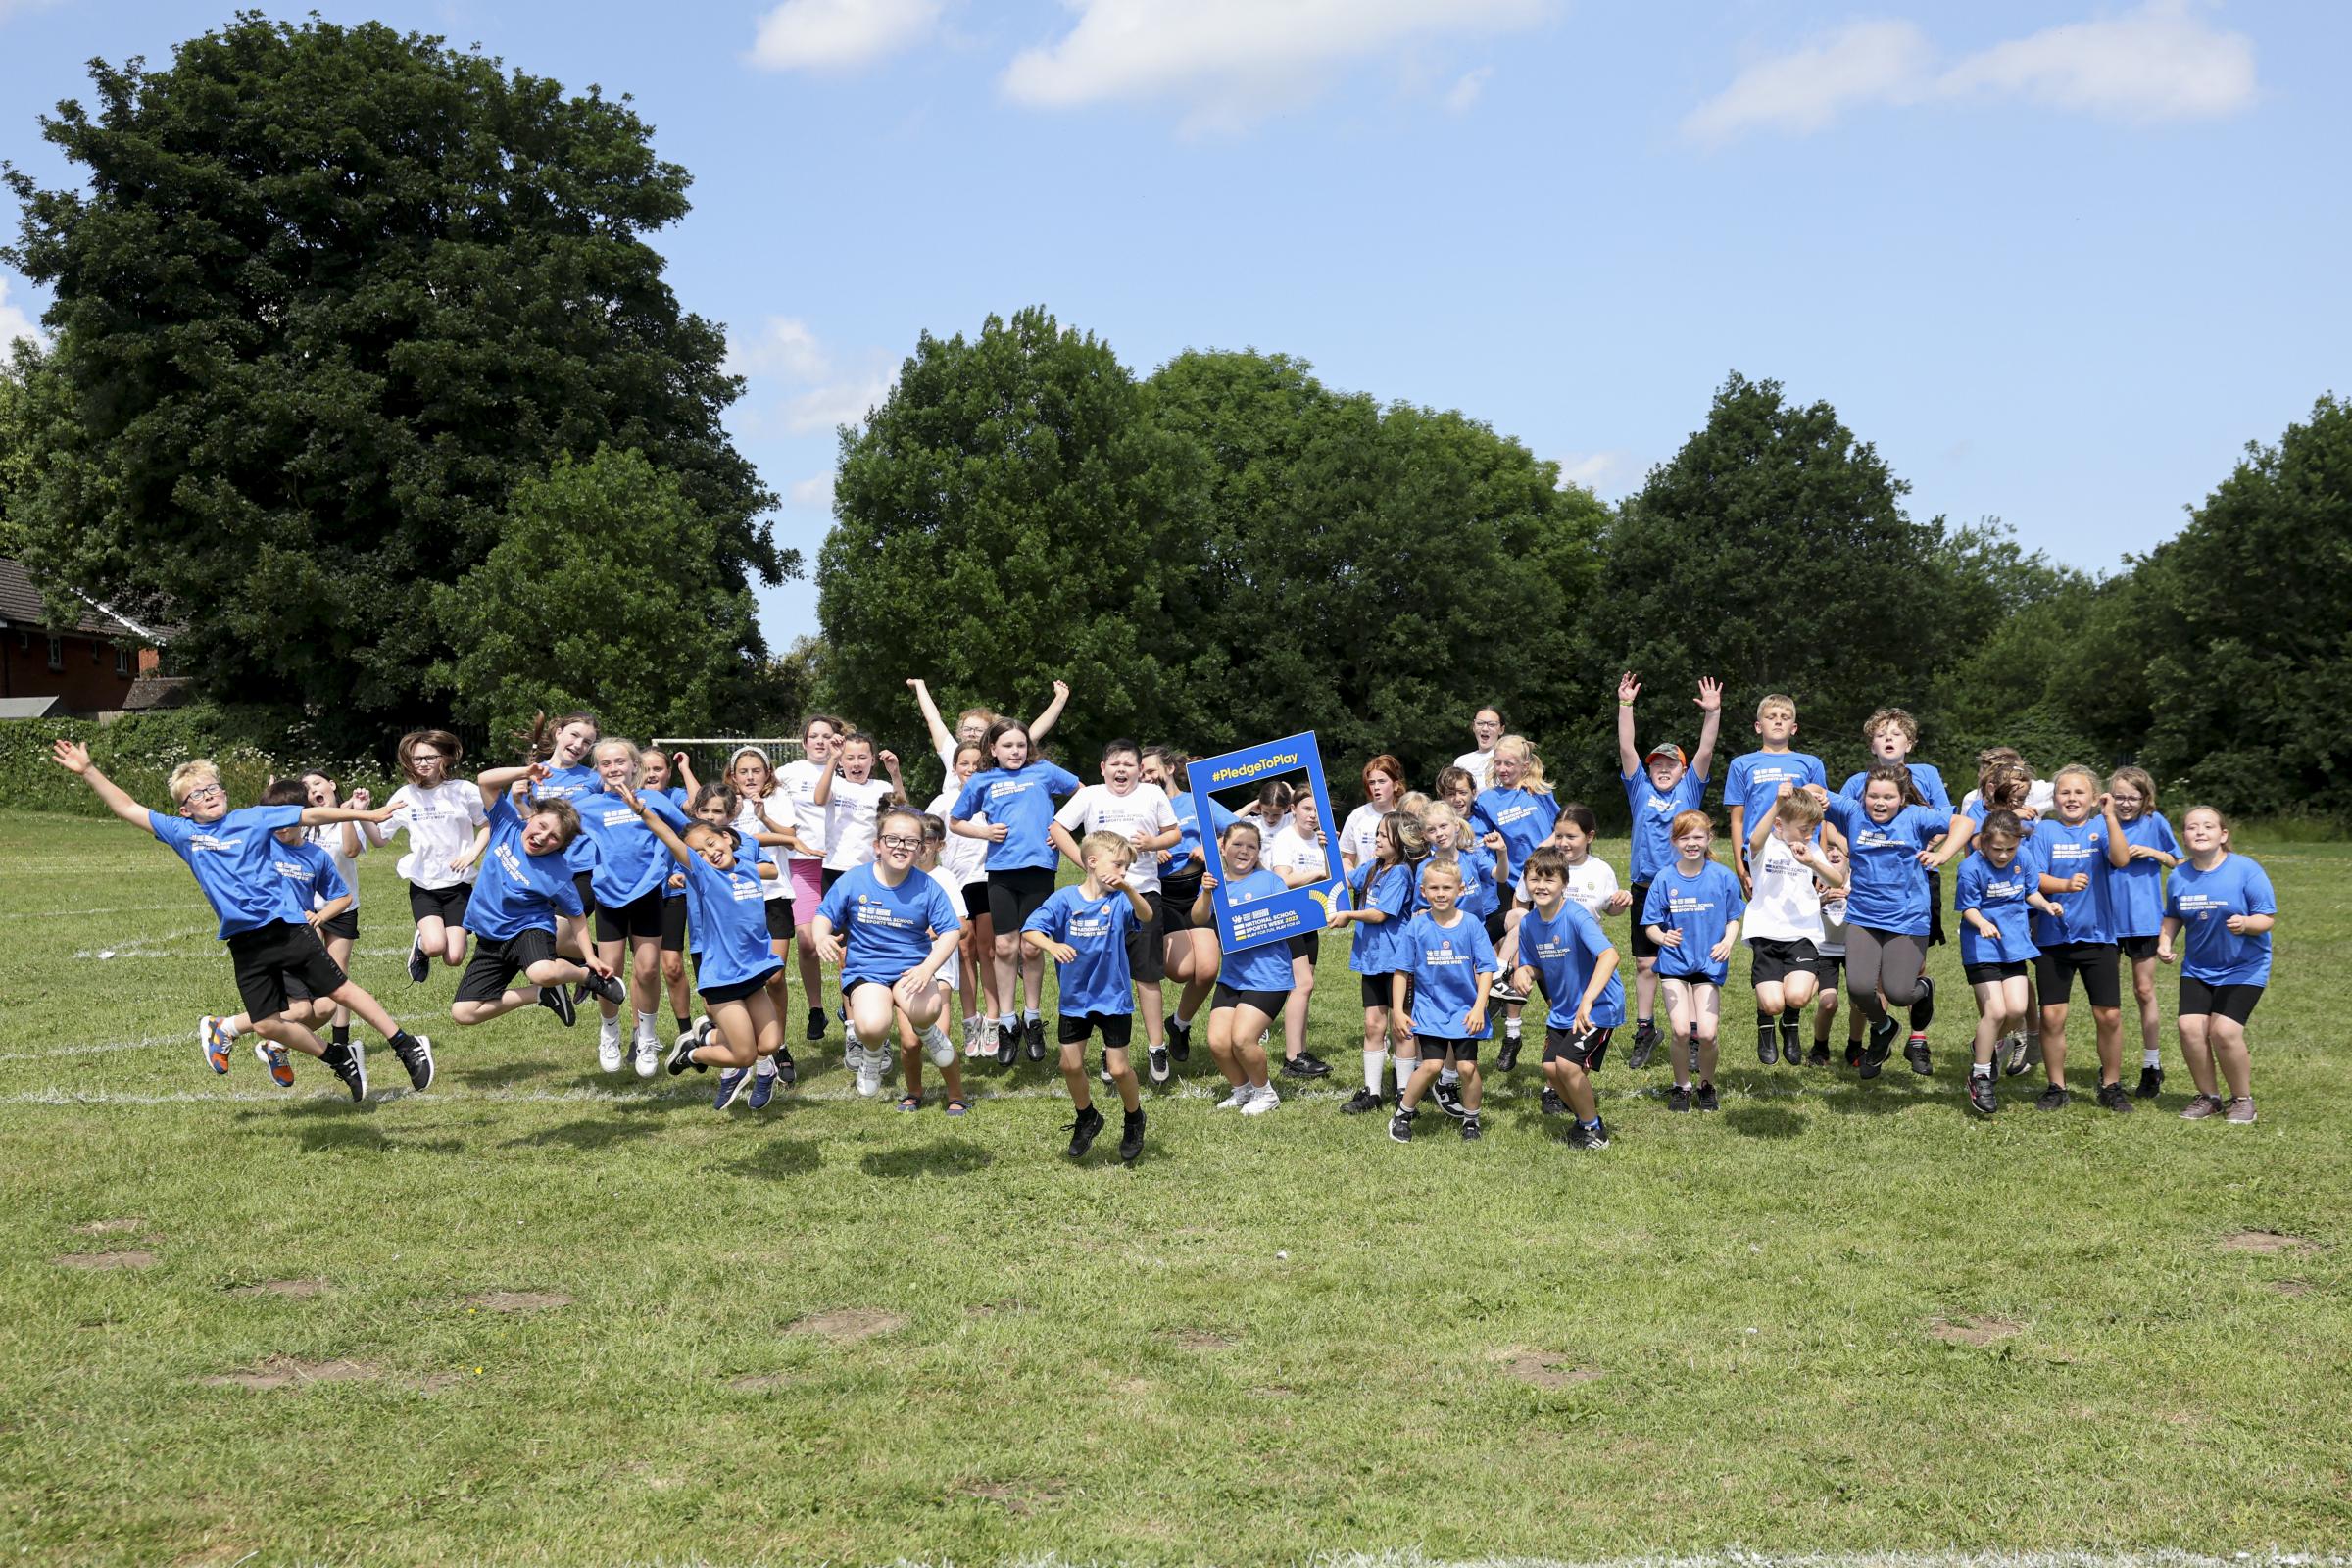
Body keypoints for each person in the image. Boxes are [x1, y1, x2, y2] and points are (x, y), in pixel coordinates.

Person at [50, 741, 432, 1101]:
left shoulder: (252, 819)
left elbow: (310, 813)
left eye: (213, 788)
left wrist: (365, 813)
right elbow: (128, 808)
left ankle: (405, 1044)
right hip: (244, 942)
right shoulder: (183, 833)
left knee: (339, 990)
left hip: (284, 925)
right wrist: (88, 771)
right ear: (185, 809)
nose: (209, 796)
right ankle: (336, 1057)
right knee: (266, 1024)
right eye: (197, 794)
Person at [616, 781, 788, 1112]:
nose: (710, 853)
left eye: (712, 843)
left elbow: (771, 865)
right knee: (744, 1054)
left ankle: (706, 1036)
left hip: (753, 973)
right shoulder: (706, 876)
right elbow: (671, 838)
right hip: (723, 979)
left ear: (727, 837)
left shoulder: (750, 868)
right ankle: (692, 1052)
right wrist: (643, 812)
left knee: (768, 1043)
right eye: (700, 853)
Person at [449, 763, 628, 1043]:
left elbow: (577, 916)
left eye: (554, 837)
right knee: (464, 1012)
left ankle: (585, 978)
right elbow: (484, 780)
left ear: (560, 847)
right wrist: (523, 772)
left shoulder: (556, 873)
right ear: (532, 817)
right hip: (490, 938)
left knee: (542, 971)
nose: (543, 836)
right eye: (542, 826)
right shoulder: (506, 824)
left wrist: (591, 959)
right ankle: (540, 994)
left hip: (527, 929)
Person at [1816, 767, 1970, 1080]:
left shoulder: (1916, 817)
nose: (1880, 802)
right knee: (1859, 989)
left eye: (1888, 796)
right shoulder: (1852, 811)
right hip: (1863, 916)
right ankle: (1885, 1028)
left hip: (1907, 918)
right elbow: (1814, 793)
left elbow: (1964, 822)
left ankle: (1923, 989)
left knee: (1899, 993)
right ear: (1863, 796)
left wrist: (1943, 855)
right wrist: (1810, 791)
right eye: (1873, 795)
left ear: (1902, 798)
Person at [201, 778, 359, 1078]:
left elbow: (343, 896)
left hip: (302, 935)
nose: (281, 827)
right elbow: (242, 826)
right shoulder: (262, 843)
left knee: (325, 1008)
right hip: (274, 933)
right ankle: (226, 1027)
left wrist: (321, 916)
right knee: (299, 1010)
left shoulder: (315, 855)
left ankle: (276, 1044)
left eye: (287, 820)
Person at [810, 805, 965, 1102]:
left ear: (921, 849)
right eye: (893, 839)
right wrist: (821, 936)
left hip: (911, 969)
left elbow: (951, 931)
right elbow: (824, 915)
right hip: (867, 970)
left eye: (911, 841)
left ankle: (927, 1031)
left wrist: (928, 968)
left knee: (929, 1008)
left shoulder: (928, 886)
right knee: (872, 1025)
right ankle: (871, 1054)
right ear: (877, 844)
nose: (901, 846)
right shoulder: (854, 879)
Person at [951, 719, 1083, 1064]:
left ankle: (1033, 1018)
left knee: (1032, 945)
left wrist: (1061, 827)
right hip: (1001, 874)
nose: (1015, 751)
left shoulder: (1043, 771)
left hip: (1039, 870)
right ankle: (1007, 1022)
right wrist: (984, 834)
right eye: (1007, 746)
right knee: (1005, 946)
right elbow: (955, 821)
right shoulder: (982, 780)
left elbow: (1083, 793)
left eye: (1021, 745)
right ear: (992, 749)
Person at [1051, 739, 1182, 1080]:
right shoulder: (1090, 794)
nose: (1121, 770)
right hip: (1101, 902)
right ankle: (1110, 1051)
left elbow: (1174, 834)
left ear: (1140, 770)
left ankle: (1157, 1048)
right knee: (1104, 975)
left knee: (1147, 974)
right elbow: (1057, 827)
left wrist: (1153, 843)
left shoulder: (1152, 795)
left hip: (1143, 895)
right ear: (1103, 768)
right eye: (1115, 764)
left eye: (1128, 765)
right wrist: (1087, 865)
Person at [1025, 831, 1155, 1162]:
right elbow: (1030, 930)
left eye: (1126, 869)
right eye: (1119, 866)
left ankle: (1134, 1117)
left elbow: (1146, 916)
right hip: (1075, 999)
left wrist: (1127, 888)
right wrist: (1052, 945)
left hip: (1113, 999)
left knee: (1120, 1068)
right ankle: (1087, 1117)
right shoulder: (1064, 900)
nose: (1123, 873)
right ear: (1092, 862)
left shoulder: (1120, 900)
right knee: (1070, 1065)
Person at [1616, 672, 1722, 1064]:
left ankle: (1694, 1035)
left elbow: (1706, 753)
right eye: (1656, 764)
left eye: (1670, 764)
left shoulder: (1688, 790)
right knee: (1645, 962)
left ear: (1681, 770)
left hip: (1685, 888)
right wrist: (1625, 705)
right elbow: (1626, 746)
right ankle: (1646, 1029)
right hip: (1645, 887)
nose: (1663, 769)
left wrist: (1712, 714)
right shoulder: (1639, 789)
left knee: (1687, 962)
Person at [1838, 708, 1956, 1049]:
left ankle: (1917, 1035)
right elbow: (1838, 824)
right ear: (1871, 745)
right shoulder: (1855, 783)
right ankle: (1876, 1035)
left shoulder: (1926, 774)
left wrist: (1932, 847)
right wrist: (1855, 851)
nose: (1889, 738)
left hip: (1918, 881)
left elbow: (1945, 817)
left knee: (1907, 970)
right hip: (1868, 886)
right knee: (1865, 977)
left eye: (1896, 733)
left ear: (1911, 742)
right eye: (1881, 733)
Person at [574, 739, 683, 1076]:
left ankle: (646, 1036)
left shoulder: (653, 799)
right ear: (598, 769)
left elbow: (686, 832)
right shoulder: (587, 805)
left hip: (649, 893)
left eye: (620, 761)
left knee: (648, 969)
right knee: (609, 972)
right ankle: (610, 1033)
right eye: (605, 764)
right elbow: (554, 829)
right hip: (608, 896)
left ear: (635, 765)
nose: (613, 768)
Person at [2160, 806, 2274, 1125]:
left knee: (2223, 1031)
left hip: (2244, 966)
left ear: (2223, 835)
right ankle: (2209, 1097)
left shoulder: (2246, 870)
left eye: (2208, 826)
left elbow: (2267, 918)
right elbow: (2173, 916)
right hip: (2198, 967)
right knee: (2189, 1028)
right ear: (2184, 836)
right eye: (2192, 827)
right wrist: (2165, 941)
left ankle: (2243, 1099)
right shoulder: (2179, 876)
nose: (2200, 831)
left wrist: (2247, 924)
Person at [2025, 765, 2130, 1113]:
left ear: (2094, 797)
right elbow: (2036, 879)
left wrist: (2111, 817)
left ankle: (2111, 1083)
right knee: (2052, 1017)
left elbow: (2121, 858)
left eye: (2079, 792)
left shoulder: (2103, 826)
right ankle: (2057, 1086)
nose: (2071, 798)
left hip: (2099, 938)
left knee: (2109, 1015)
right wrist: (2065, 886)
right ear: (2054, 799)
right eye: (2064, 792)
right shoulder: (2045, 831)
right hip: (2053, 939)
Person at [1512, 846, 1626, 1150]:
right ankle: (1585, 1120)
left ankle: (1594, 1132)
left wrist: (1588, 999)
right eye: (1534, 879)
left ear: (1564, 883)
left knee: (1567, 1065)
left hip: (1598, 1006)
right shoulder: (1528, 924)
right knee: (1551, 1068)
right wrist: (1525, 971)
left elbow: (1609, 955)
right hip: (1564, 1008)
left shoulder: (1576, 916)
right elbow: (1534, 964)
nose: (1541, 886)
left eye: (1550, 879)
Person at [1386, 854, 1499, 1144]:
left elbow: (1487, 969)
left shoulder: (1472, 924)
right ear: (1423, 892)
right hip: (1431, 1010)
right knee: (1431, 1066)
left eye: (1447, 888)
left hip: (1465, 1011)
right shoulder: (1417, 926)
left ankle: (1471, 1121)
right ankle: (1402, 1114)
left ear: (1460, 890)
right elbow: (1402, 971)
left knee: (1466, 1067)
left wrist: (1479, 1007)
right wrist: (1398, 1011)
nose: (1440, 894)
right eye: (1434, 888)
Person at [1952, 809, 2059, 1116]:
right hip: (1981, 948)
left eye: (2009, 849)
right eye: (1996, 848)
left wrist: (2047, 904)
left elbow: (2031, 892)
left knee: (2015, 1011)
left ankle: (1982, 1045)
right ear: (1984, 842)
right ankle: (1980, 1075)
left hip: (2013, 945)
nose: (2003, 855)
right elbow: (1967, 909)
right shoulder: (1970, 867)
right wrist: (1981, 922)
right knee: (1996, 1010)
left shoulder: (2023, 858)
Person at [1642, 810, 1745, 1113]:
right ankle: (1681, 1086)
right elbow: (1650, 925)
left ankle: (1707, 1085)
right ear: (1674, 841)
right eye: (1684, 837)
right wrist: (1663, 939)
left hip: (1708, 964)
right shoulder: (1664, 878)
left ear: (1709, 838)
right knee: (1682, 1030)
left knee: (1709, 1033)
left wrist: (1727, 942)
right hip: (1674, 964)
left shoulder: (1722, 876)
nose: (1692, 843)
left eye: (1698, 836)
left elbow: (1733, 918)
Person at [1325, 809, 1425, 1114]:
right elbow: (1342, 881)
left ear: (1400, 839)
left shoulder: (1401, 873)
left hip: (1397, 962)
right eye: (1376, 834)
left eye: (1382, 835)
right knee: (1372, 1025)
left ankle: (1405, 1095)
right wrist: (1326, 848)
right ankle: (1372, 1092)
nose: (1376, 839)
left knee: (1402, 1027)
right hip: (1371, 960)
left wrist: (1349, 916)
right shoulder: (1372, 868)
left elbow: (1380, 913)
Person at [1191, 820, 1290, 1116]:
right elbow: (1197, 918)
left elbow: (1291, 917)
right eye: (1237, 844)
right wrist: (1207, 893)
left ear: (1259, 852)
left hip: (1268, 976)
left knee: (1243, 1039)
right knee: (1219, 1043)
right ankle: (1242, 1090)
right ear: (1223, 847)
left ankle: (1265, 1093)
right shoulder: (1215, 883)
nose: (1244, 850)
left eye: (1252, 846)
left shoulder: (1271, 881)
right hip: (1233, 976)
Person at [1142, 746, 1233, 1067]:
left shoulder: (1195, 801)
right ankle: (1173, 1024)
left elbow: (1239, 831)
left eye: (1151, 770)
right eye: (1142, 774)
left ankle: (1179, 1025)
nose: (1147, 778)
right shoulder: (1140, 807)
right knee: (1180, 972)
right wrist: (1152, 851)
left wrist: (1211, 847)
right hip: (1162, 895)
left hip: (1199, 891)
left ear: (1168, 768)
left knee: (1207, 970)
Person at [1741, 787, 1845, 1067]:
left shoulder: (1811, 849)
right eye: (1804, 829)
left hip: (1802, 933)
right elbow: (1754, 838)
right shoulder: (1766, 847)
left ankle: (1791, 1023)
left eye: (1813, 828)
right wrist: (1777, 803)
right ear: (1779, 824)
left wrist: (1813, 862)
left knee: (1797, 997)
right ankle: (1766, 1025)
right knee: (1772, 1003)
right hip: (1766, 932)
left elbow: (1836, 880)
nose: (1809, 834)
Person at [386, 729, 489, 984]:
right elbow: (379, 838)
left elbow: (487, 824)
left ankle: (447, 937)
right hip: (424, 884)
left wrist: (472, 854)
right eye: (416, 759)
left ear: (444, 757)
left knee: (453, 957)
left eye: (429, 757)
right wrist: (362, 814)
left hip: (458, 884)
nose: (423, 763)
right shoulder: (404, 795)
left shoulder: (464, 790)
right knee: (435, 946)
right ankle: (422, 942)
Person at [2102, 767, 2180, 1098]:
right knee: (2108, 1001)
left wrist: (2153, 853)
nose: (2125, 803)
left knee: (2144, 991)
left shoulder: (2155, 823)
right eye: (2119, 796)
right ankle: (2109, 1066)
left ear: (2145, 798)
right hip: (2105, 920)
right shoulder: (2103, 822)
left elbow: (2179, 861)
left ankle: (2152, 1064)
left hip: (2144, 920)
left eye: (2132, 798)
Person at [728, 745, 808, 1059]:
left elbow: (789, 835)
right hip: (737, 899)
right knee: (745, 977)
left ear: (768, 773)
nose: (750, 777)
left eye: (756, 771)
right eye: (743, 772)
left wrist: (764, 818)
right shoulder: (727, 801)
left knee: (774, 976)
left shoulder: (778, 799)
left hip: (774, 896)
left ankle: (779, 1045)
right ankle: (750, 1045)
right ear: (733, 777)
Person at [298, 768, 378, 1056]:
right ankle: (292, 1029)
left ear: (332, 785)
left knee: (338, 973)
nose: (313, 790)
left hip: (343, 906)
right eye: (306, 788)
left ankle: (341, 1042)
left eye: (317, 783)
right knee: (306, 968)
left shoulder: (352, 816)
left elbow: (351, 850)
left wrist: (349, 814)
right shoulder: (305, 823)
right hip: (310, 907)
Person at [900, 815, 973, 1111]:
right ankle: (914, 1092)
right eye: (917, 840)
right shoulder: (896, 877)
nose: (922, 848)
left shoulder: (944, 878)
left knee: (938, 1038)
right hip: (903, 969)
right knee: (909, 1042)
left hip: (938, 968)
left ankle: (956, 1094)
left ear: (939, 844)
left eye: (929, 840)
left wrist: (931, 932)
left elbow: (962, 925)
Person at [519, 710, 604, 967]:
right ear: (558, 733)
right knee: (540, 935)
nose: (579, 745)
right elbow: (525, 822)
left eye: (587, 742)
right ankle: (592, 960)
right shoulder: (532, 774)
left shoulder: (594, 779)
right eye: (575, 735)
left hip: (583, 869)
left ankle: (592, 960)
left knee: (555, 931)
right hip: (544, 869)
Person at [1722, 694, 1826, 899]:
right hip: (1759, 852)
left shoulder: (1811, 763)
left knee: (1802, 915)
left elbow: (1821, 817)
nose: (1778, 721)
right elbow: (1737, 819)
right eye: (1771, 717)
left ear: (1794, 728)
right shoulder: (1741, 764)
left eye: (1785, 717)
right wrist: (1739, 867)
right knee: (1764, 915)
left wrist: (1822, 863)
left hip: (1801, 849)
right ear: (1758, 726)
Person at [776, 714, 842, 1041]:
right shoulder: (787, 774)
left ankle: (852, 1005)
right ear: (803, 742)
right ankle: (817, 1009)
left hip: (840, 864)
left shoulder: (848, 770)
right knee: (806, 940)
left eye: (827, 736)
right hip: (801, 864)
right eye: (814, 736)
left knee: (847, 941)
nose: (820, 741)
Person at [928, 742, 995, 1057]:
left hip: (989, 878)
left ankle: (994, 1020)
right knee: (964, 949)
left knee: (989, 949)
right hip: (956, 883)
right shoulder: (944, 801)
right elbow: (921, 829)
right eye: (964, 763)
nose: (970, 769)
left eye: (977, 764)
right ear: (954, 768)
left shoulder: (995, 793)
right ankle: (971, 1021)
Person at [1262, 786, 1334, 1082]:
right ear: (1293, 809)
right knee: (1301, 985)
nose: (1313, 816)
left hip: (1310, 920)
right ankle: (1293, 1058)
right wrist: (1314, 876)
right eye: (1307, 809)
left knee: (1305, 988)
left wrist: (1329, 852)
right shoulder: (1285, 838)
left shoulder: (1322, 841)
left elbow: (1335, 879)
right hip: (1287, 918)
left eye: (1318, 811)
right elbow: (1282, 880)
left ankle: (1301, 1051)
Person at [640, 748, 700, 1046]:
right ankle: (642, 1035)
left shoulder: (675, 796)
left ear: (668, 772)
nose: (651, 774)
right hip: (640, 892)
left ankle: (685, 1033)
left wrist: (685, 768)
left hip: (674, 890)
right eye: (645, 768)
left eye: (658, 768)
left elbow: (699, 806)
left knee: (673, 966)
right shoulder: (629, 798)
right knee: (644, 969)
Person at [906, 675, 1070, 777]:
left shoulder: (999, 756)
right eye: (968, 729)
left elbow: (1034, 733)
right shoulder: (952, 752)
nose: (972, 734)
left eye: (978, 730)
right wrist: (920, 686)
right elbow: (933, 719)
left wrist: (1060, 699)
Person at [815, 732, 906, 895]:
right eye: (849, 758)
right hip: (836, 866)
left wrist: (895, 774)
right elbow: (820, 799)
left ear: (873, 760)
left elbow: (902, 812)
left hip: (871, 868)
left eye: (862, 757)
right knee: (835, 918)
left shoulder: (881, 787)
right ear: (841, 761)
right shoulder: (835, 784)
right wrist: (832, 759)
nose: (856, 764)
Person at [1339, 755, 1404, 880]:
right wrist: (1359, 878)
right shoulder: (1357, 815)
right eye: (1372, 783)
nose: (1376, 787)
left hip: (1395, 886)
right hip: (1363, 890)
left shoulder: (1404, 815)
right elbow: (1347, 859)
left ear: (1395, 785)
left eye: (1382, 781)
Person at [1453, 706, 1504, 789]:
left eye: (1491, 725)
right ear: (1473, 726)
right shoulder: (1461, 762)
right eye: (1480, 723)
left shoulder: (1509, 759)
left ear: (1501, 729)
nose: (1485, 729)